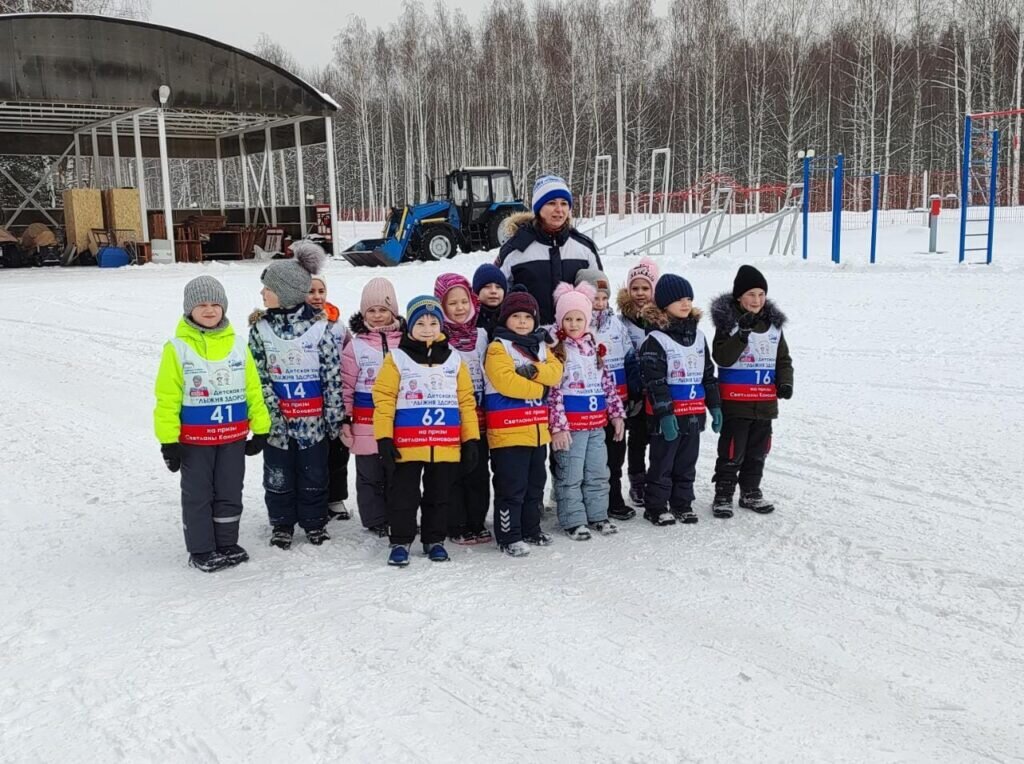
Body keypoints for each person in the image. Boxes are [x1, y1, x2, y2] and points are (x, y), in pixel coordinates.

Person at [154, 275, 271, 572]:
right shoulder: (177, 348)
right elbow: (167, 398)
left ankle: (227, 541)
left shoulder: (237, 345)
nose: (209, 310)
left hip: (232, 437)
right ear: (189, 309)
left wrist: (261, 428)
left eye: (215, 304)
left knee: (230, 491)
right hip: (195, 442)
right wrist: (169, 441)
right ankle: (201, 547)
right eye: (202, 304)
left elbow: (253, 390)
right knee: (199, 494)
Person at [248, 241, 344, 549]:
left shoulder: (319, 327)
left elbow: (330, 376)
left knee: (314, 474)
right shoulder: (260, 328)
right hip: (278, 424)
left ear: (287, 291)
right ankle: (282, 522)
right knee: (278, 475)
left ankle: (314, 521)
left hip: (312, 423)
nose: (263, 294)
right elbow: (257, 374)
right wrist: (270, 414)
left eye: (268, 288)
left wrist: (333, 418)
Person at [372, 296, 481, 566]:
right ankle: (400, 540)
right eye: (420, 322)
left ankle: (435, 539)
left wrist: (470, 440)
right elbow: (384, 398)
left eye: (433, 322)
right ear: (409, 326)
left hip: (444, 443)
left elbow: (466, 400)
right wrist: (384, 437)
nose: (428, 328)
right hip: (408, 443)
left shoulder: (454, 359)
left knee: (439, 495)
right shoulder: (397, 358)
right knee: (404, 495)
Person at [483, 291, 564, 557]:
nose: (521, 322)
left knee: (534, 485)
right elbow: (507, 382)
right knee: (511, 487)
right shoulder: (498, 347)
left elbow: (556, 372)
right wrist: (539, 390)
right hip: (508, 432)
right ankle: (509, 535)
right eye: (515, 317)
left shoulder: (541, 346)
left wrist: (534, 372)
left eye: (527, 317)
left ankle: (531, 528)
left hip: (536, 432)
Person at [709, 265, 794, 517]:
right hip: (736, 402)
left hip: (764, 402)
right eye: (750, 295)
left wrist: (786, 382)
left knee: (759, 450)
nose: (756, 300)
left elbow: (783, 359)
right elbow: (722, 358)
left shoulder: (774, 326)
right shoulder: (728, 323)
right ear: (739, 297)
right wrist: (742, 335)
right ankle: (723, 493)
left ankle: (751, 491)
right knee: (733, 450)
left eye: (760, 294)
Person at [639, 274, 722, 526]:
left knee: (687, 462)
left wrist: (715, 405)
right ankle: (655, 506)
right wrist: (664, 414)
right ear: (665, 305)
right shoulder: (655, 340)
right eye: (678, 300)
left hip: (693, 414)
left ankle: (682, 503)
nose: (685, 304)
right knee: (662, 462)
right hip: (668, 417)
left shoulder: (698, 337)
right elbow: (655, 382)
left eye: (688, 299)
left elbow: (708, 374)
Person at [548, 282, 626, 539]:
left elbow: (608, 384)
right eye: (568, 319)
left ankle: (598, 515)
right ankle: (573, 519)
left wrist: (615, 414)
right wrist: (558, 427)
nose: (573, 324)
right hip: (571, 428)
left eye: (579, 318)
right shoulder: (557, 351)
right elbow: (553, 392)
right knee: (570, 473)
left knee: (597, 472)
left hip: (596, 425)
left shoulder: (594, 348)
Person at [340, 277, 404, 536]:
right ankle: (375, 518)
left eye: (383, 310)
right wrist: (345, 418)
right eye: (371, 310)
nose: (377, 316)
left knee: (397, 472)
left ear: (393, 312)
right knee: (369, 475)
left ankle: (398, 513)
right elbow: (345, 385)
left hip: (398, 422)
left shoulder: (406, 343)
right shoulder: (355, 346)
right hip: (365, 421)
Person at [496, 174, 602, 326]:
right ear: (538, 208)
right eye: (552, 203)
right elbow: (496, 295)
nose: (559, 210)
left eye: (564, 203)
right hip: (529, 340)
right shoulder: (516, 248)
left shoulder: (584, 248)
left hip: (575, 340)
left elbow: (600, 296)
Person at [575, 268, 638, 521]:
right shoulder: (577, 323)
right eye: (594, 298)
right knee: (588, 457)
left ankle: (613, 498)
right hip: (585, 405)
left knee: (615, 454)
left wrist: (634, 393)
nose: (600, 304)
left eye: (604, 298)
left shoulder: (616, 325)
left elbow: (630, 359)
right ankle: (581, 502)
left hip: (617, 402)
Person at [434, 273, 492, 544]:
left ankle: (477, 521)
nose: (459, 308)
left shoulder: (481, 334)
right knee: (453, 473)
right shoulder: (437, 338)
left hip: (479, 417)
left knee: (478, 471)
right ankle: (455, 524)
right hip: (451, 418)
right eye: (452, 303)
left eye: (463, 301)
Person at [307, 273, 352, 522]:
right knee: (312, 453)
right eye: (311, 291)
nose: (317, 296)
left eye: (321, 291)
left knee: (337, 450)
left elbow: (349, 354)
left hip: (335, 398)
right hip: (308, 397)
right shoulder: (294, 323)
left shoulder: (337, 325)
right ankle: (312, 498)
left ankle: (335, 497)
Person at [616, 257, 660, 508]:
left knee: (659, 438)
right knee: (637, 438)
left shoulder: (663, 317)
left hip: (658, 389)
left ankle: (658, 479)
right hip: (634, 390)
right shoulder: (622, 321)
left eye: (645, 288)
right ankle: (637, 480)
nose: (640, 293)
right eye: (635, 288)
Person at [472, 263, 507, 339]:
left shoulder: (510, 315)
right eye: (487, 287)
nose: (493, 291)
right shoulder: (469, 317)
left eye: (498, 287)